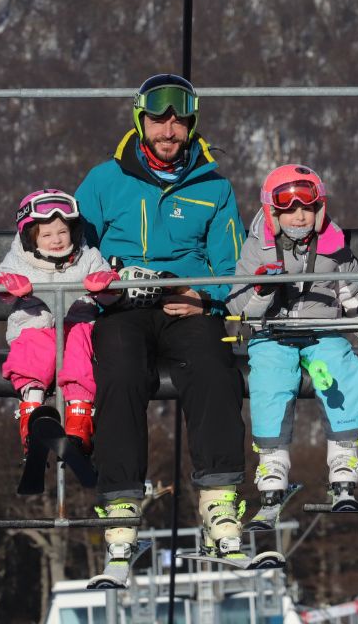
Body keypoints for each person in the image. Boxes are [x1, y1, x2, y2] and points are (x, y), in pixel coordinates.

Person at [75, 74, 248, 567]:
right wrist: (103, 284)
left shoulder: (213, 187)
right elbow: (75, 248)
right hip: (122, 306)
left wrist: (204, 296)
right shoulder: (105, 180)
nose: (168, 131)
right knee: (121, 373)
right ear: (141, 121)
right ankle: (121, 504)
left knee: (214, 369)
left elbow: (231, 265)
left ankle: (219, 501)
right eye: (158, 120)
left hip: (186, 305)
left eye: (179, 121)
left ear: (192, 125)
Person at [226, 164, 358, 513]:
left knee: (344, 369)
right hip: (273, 333)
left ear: (319, 209)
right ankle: (273, 460)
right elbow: (239, 305)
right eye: (289, 209)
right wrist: (262, 291)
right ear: (273, 212)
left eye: (306, 208)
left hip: (322, 331)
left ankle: (343, 455)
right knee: (270, 378)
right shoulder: (257, 247)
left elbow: (353, 291)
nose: (298, 217)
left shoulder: (333, 245)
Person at [0, 189, 121, 455]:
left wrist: (107, 287)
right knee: (34, 344)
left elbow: (111, 294)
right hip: (34, 323)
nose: (57, 240)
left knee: (79, 347)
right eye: (47, 235)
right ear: (31, 237)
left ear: (73, 231)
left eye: (63, 232)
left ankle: (79, 417)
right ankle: (32, 410)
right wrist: (6, 287)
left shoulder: (88, 256)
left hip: (76, 325)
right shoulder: (18, 259)